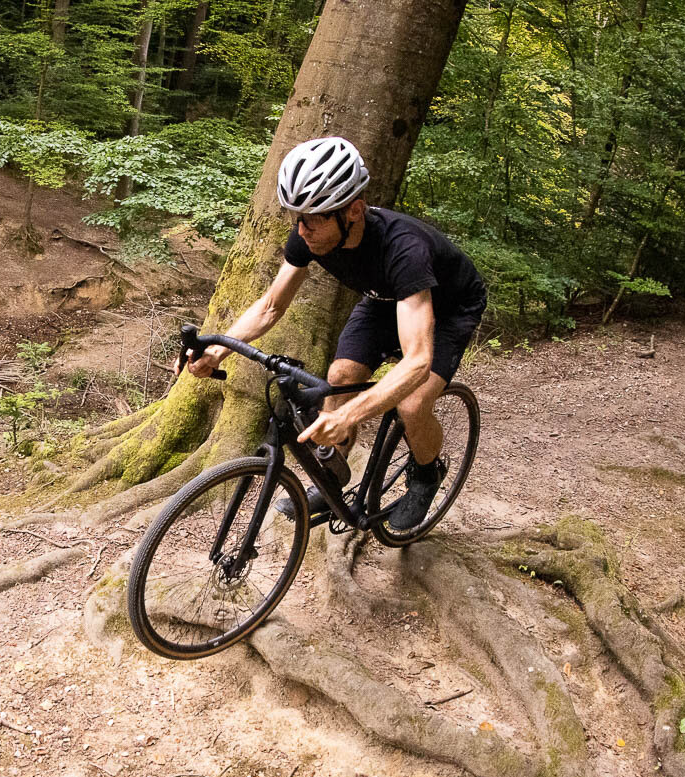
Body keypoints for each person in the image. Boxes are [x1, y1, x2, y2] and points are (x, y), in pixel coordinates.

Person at [183, 136, 486, 529]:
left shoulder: (403, 249)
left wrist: (353, 414)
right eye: (297, 217)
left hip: (449, 307)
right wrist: (217, 351)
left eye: (314, 218)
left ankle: (426, 475)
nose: (302, 229)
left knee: (411, 405)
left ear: (354, 211)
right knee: (339, 379)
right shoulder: (308, 233)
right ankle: (333, 475)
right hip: (384, 298)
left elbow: (417, 360)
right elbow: (272, 305)